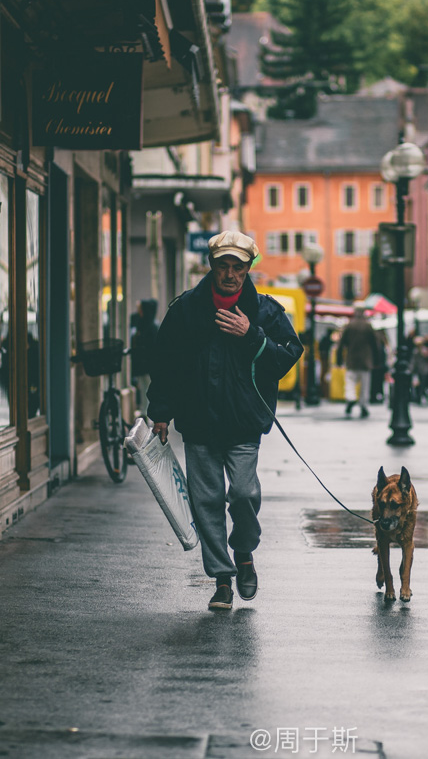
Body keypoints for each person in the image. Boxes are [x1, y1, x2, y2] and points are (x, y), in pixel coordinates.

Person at [147, 231, 303, 611]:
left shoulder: (265, 311)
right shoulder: (186, 309)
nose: (230, 274)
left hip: (244, 422)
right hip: (198, 422)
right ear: (212, 267)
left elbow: (288, 355)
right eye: (223, 266)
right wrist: (161, 412)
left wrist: (253, 336)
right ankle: (221, 579)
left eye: (238, 267)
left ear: (248, 269)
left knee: (245, 494)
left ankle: (244, 551)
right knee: (207, 502)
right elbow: (166, 363)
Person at [337, 307, 379, 418]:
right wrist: (377, 360)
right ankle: (363, 405)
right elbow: (375, 344)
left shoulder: (350, 325)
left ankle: (351, 398)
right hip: (366, 360)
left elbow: (341, 344)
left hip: (352, 359)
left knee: (350, 382)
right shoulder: (368, 326)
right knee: (365, 385)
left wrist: (339, 359)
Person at [129, 298, 159, 415]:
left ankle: (147, 413)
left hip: (147, 364)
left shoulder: (150, 327)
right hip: (143, 364)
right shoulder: (142, 324)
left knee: (147, 389)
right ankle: (145, 412)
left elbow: (151, 348)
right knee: (143, 388)